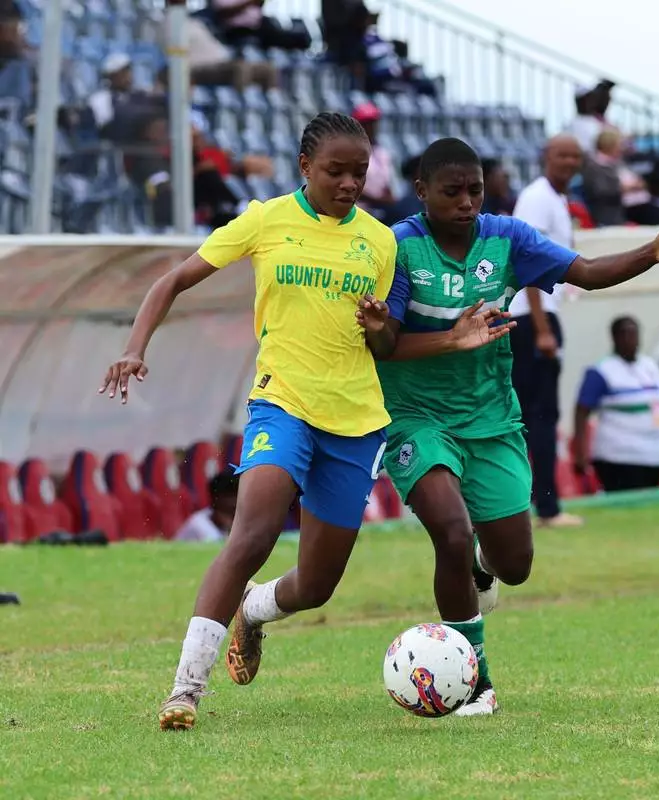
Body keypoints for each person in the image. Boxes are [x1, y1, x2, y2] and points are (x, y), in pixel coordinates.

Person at [99, 112, 510, 732]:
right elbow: (173, 280)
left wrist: (396, 330)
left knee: (316, 586)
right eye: (335, 171)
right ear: (304, 167)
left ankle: (255, 611)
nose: (349, 184)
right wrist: (135, 348)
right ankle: (185, 690)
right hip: (282, 402)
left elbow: (385, 344)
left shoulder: (380, 242)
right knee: (253, 534)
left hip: (357, 422)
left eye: (359, 173)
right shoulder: (266, 221)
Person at [375, 136, 659, 716]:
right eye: (452, 192)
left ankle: (482, 570)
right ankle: (474, 682)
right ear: (421, 191)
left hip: (491, 419)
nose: (467, 202)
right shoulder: (397, 247)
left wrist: (651, 252)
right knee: (451, 532)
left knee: (515, 566)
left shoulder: (508, 238)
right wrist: (448, 339)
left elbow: (587, 272)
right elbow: (384, 345)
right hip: (416, 418)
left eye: (475, 190)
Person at [509, 134, 585, 529]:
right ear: (545, 157)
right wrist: (541, 328)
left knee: (534, 416)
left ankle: (531, 504)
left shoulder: (556, 199)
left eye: (575, 156)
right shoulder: (537, 197)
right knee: (539, 416)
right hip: (531, 317)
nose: (569, 162)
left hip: (538, 315)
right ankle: (546, 507)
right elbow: (528, 262)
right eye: (562, 155)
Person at [572, 316, 659, 492]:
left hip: (655, 456)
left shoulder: (650, 367)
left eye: (633, 333)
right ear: (614, 337)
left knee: (648, 503)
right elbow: (581, 411)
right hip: (619, 457)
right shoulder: (602, 370)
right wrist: (580, 453)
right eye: (624, 334)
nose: (630, 339)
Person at [173, 467, 239, 543]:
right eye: (232, 495)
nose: (236, 500)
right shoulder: (199, 525)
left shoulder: (229, 520)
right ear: (217, 497)